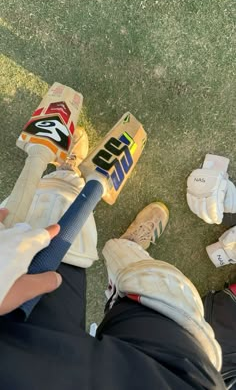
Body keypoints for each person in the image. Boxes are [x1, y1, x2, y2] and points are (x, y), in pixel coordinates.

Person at [0, 131, 229, 389]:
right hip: (167, 377)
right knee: (160, 289)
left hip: (20, 350)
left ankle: (66, 175)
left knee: (38, 238)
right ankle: (130, 250)